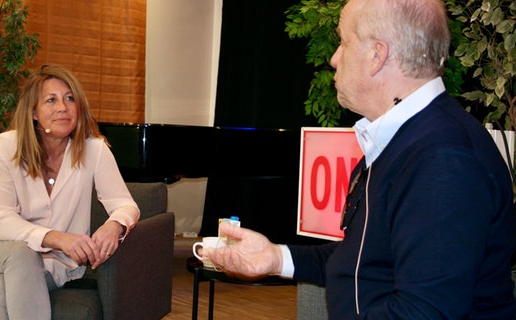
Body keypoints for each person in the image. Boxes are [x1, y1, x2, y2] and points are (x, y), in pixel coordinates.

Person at [203, 0, 516, 318]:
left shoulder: (445, 160)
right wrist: (274, 257)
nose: (334, 58)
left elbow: (422, 312)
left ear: (377, 55)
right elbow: (364, 259)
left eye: (343, 41)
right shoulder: (404, 139)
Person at [0, 64, 140, 320]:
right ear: (33, 112)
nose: (63, 108)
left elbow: (124, 204)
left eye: (70, 99)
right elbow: (1, 221)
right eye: (51, 100)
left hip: (54, 264)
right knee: (21, 253)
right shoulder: (2, 148)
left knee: (0, 290)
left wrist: (115, 225)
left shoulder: (94, 150)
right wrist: (58, 238)